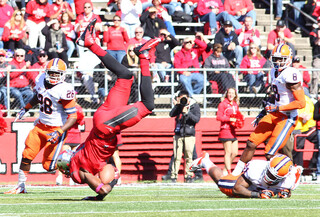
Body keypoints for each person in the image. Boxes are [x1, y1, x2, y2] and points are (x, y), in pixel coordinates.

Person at [56, 18, 162, 200]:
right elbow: (105, 183)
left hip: (106, 126)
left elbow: (103, 189)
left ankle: (143, 56)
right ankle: (89, 43)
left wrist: (101, 190)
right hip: (103, 117)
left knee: (147, 106)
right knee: (126, 75)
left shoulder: (78, 171)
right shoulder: (86, 160)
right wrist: (104, 188)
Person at [4, 58, 77, 194]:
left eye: (57, 73)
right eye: (51, 73)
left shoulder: (64, 89)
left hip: (56, 129)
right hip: (40, 126)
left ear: (63, 74)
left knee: (48, 166)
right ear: (46, 72)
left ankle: (75, 159)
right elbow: (38, 96)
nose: (54, 76)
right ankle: (21, 186)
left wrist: (59, 131)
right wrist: (25, 108)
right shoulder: (40, 79)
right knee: (27, 154)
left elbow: (73, 117)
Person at [232, 43, 306, 176]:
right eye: (275, 58)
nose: (277, 62)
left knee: (270, 152)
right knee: (251, 143)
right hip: (274, 113)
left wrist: (278, 107)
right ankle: (235, 174)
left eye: (280, 59)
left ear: (288, 59)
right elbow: (277, 95)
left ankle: (290, 174)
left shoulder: (291, 74)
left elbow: (301, 103)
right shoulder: (273, 71)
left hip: (287, 117)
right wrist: (265, 109)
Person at [190, 152, 303, 199]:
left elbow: (281, 190)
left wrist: (283, 192)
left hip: (260, 187)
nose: (268, 177)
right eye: (268, 172)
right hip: (250, 184)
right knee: (223, 184)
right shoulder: (256, 168)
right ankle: (205, 161)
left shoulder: (291, 180)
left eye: (273, 177)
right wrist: (257, 195)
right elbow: (237, 188)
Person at [169, 90, 200, 183]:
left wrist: (187, 113)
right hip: (179, 134)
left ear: (188, 98)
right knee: (177, 156)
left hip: (189, 134)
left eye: (184, 98)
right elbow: (171, 114)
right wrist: (177, 105)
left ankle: (189, 175)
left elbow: (196, 119)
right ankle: (174, 176)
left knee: (189, 156)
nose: (183, 100)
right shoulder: (179, 106)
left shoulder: (194, 106)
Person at [56, 102, 85, 185]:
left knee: (62, 157)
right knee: (72, 158)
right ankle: (71, 178)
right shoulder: (78, 108)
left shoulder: (66, 107)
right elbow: (81, 122)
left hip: (68, 134)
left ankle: (60, 177)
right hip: (74, 134)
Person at [216, 88, 243, 175]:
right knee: (228, 152)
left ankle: (224, 169)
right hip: (225, 130)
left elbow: (237, 116)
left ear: (235, 95)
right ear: (227, 94)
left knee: (235, 153)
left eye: (232, 93)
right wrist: (229, 119)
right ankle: (228, 172)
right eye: (229, 93)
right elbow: (219, 117)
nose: (231, 95)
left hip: (232, 130)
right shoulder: (222, 104)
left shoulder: (235, 104)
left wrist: (240, 120)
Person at [309, 17, 320, 95]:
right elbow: (312, 43)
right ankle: (313, 93)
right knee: (315, 76)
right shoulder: (314, 32)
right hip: (317, 56)